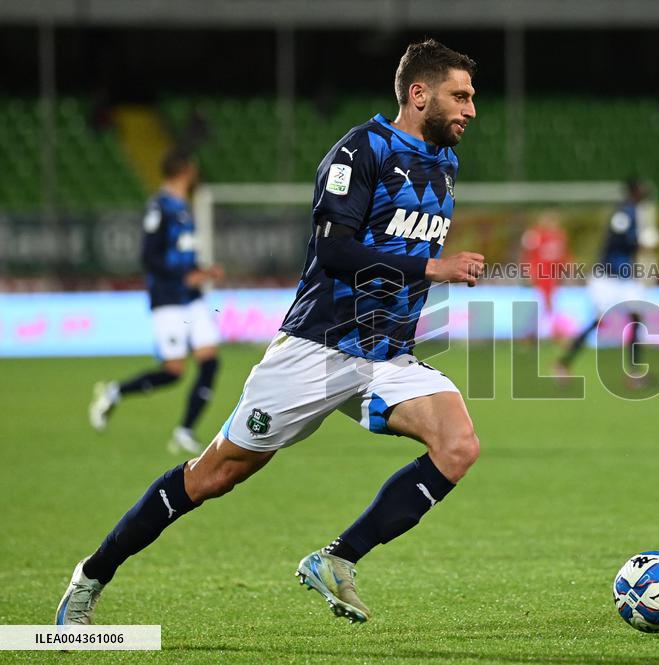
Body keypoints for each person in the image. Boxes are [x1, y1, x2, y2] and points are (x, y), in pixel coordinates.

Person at [58, 38, 483, 627]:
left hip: (386, 356)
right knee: (214, 476)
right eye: (460, 96)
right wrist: (432, 267)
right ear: (418, 94)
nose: (470, 109)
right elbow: (333, 252)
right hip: (317, 347)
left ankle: (337, 559)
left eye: (471, 97)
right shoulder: (361, 151)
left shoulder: (445, 165)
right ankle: (92, 575)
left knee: (459, 446)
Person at [88, 150, 224, 454]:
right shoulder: (159, 207)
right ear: (185, 170)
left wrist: (202, 272)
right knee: (174, 371)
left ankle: (185, 431)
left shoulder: (184, 207)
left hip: (192, 299)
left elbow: (181, 254)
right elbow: (149, 257)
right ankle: (115, 392)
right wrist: (183, 277)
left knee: (210, 361)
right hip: (168, 299)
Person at [554, 178, 659, 387]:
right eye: (641, 190)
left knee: (636, 318)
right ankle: (563, 363)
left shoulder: (633, 212)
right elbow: (618, 241)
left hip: (625, 277)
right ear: (634, 192)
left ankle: (634, 372)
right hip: (607, 277)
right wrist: (640, 243)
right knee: (599, 321)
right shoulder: (623, 213)